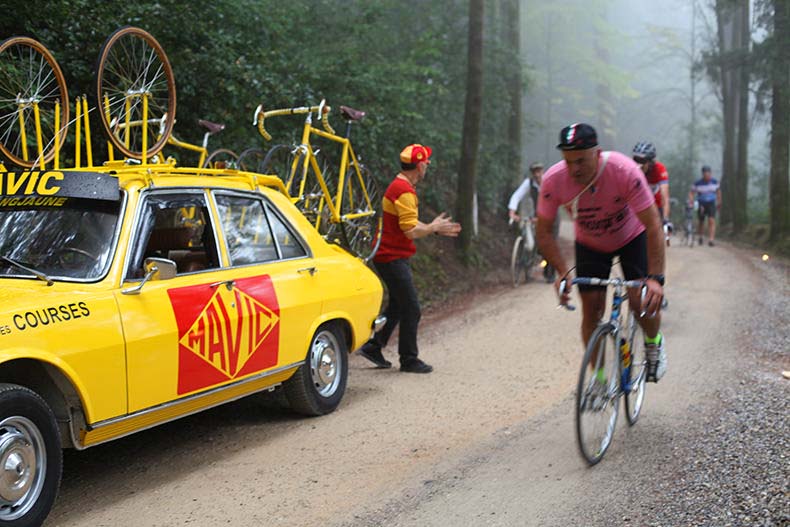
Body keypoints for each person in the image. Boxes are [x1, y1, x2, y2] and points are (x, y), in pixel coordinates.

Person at [535, 123, 667, 382]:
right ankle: (600, 380)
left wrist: (655, 279)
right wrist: (562, 272)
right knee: (591, 311)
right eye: (568, 161)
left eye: (581, 160)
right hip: (591, 244)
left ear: (597, 153)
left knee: (641, 301)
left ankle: (654, 343)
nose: (575, 169)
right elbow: (543, 232)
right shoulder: (553, 180)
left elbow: (653, 225)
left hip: (631, 236)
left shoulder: (623, 170)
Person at [357, 144, 461, 373]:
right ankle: (409, 359)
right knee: (412, 308)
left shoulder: (401, 186)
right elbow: (410, 230)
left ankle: (374, 346)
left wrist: (433, 228)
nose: (428, 166)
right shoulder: (403, 191)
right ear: (419, 164)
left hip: (390, 255)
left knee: (397, 304)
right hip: (390, 256)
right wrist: (432, 227)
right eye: (426, 162)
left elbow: (410, 225)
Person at [507, 161, 558, 281]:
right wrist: (512, 211)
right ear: (532, 173)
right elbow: (517, 196)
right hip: (538, 215)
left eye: (539, 171)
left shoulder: (549, 182)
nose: (537, 174)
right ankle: (529, 265)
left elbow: (554, 201)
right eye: (534, 172)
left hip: (552, 215)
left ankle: (550, 273)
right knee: (534, 239)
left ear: (543, 171)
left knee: (550, 242)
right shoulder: (529, 183)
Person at [632, 141, 672, 239]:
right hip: (638, 204)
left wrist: (665, 218)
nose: (639, 164)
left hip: (656, 204)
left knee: (655, 234)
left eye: (642, 161)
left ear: (650, 162)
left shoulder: (659, 169)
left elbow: (665, 196)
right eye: (636, 159)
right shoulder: (631, 168)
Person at [689, 165, 721, 247]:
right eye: (705, 174)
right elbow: (692, 192)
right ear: (702, 174)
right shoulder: (698, 183)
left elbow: (718, 192)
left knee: (711, 220)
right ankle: (700, 236)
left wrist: (719, 202)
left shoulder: (714, 182)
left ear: (710, 173)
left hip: (711, 203)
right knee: (701, 221)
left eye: (708, 174)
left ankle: (711, 239)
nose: (706, 175)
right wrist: (691, 201)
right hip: (701, 203)